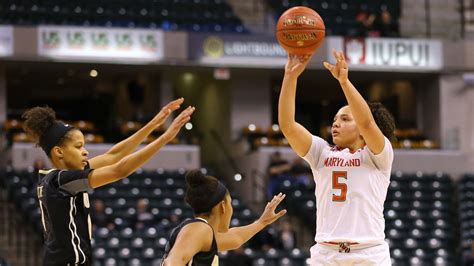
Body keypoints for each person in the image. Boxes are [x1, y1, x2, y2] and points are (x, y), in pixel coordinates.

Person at [22, 98, 194, 266]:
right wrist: (165, 138)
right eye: (78, 146)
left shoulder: (55, 178)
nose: (85, 152)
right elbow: (120, 170)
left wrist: (154, 123)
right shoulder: (60, 180)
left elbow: (113, 156)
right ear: (59, 152)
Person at [278, 49, 396, 265]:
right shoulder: (321, 152)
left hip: (368, 253)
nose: (335, 123)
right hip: (326, 253)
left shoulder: (379, 155)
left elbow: (368, 123)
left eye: (344, 119)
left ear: (360, 128)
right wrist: (290, 76)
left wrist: (344, 82)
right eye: (334, 119)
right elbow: (287, 125)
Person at [161, 169, 287, 266]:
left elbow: (236, 238)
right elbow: (173, 261)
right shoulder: (199, 229)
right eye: (230, 203)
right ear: (223, 206)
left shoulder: (202, 232)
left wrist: (262, 222)